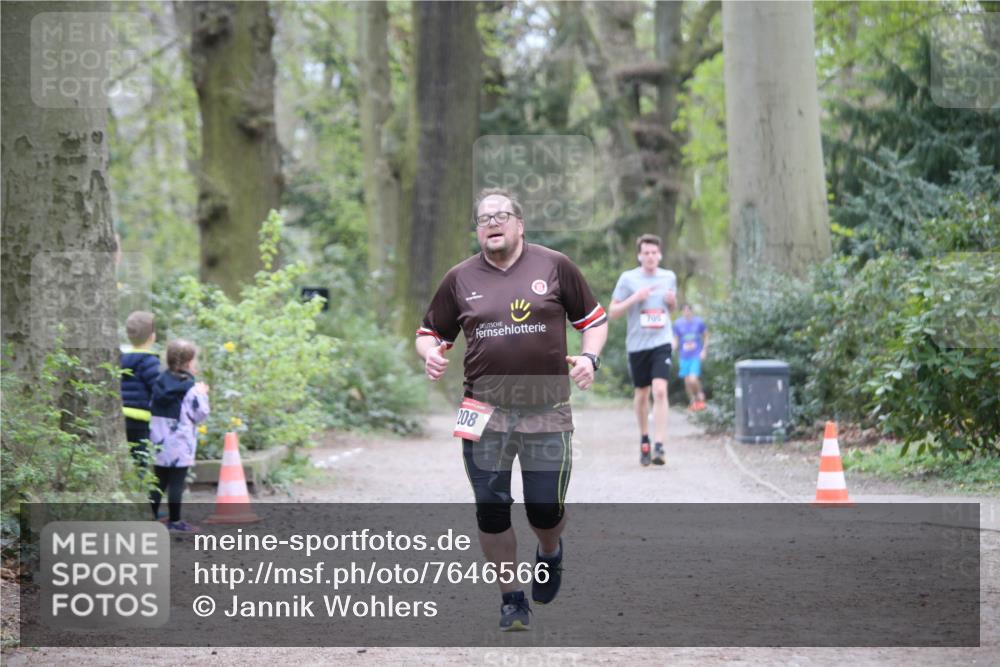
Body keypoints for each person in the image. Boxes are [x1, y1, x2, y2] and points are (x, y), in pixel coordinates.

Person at [415, 188, 608, 631]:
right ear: (477, 230)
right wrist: (429, 352)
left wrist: (589, 357)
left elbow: (593, 320)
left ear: (520, 224)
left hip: (546, 408)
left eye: (501, 215)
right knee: (491, 507)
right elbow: (429, 332)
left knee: (545, 509)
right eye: (484, 218)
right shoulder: (459, 279)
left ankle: (549, 551)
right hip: (482, 409)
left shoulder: (554, 266)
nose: (492, 223)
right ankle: (511, 600)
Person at [609, 234, 677, 466]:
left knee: (659, 390)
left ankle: (659, 445)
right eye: (645, 253)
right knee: (642, 393)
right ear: (639, 255)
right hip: (638, 344)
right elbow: (613, 312)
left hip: (662, 340)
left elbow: (671, 309)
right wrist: (635, 298)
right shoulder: (628, 279)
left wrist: (672, 303)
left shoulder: (669, 277)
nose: (650, 257)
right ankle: (644, 439)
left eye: (653, 253)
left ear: (659, 255)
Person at [150, 339, 210, 533]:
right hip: (180, 442)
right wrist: (203, 393)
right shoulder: (191, 387)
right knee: (176, 482)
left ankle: (150, 517)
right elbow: (200, 414)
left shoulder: (159, 381)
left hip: (158, 439)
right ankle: (175, 521)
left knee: (158, 480)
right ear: (189, 362)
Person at [120, 311, 161, 468]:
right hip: (140, 419)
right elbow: (157, 389)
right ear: (152, 336)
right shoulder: (149, 361)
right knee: (140, 460)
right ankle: (140, 488)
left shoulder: (121, 359)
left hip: (122, 416)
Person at [673, 303, 709, 411]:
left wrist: (704, 350)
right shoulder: (677, 324)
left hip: (696, 354)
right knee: (687, 380)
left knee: (693, 379)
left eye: (688, 310)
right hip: (683, 356)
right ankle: (693, 401)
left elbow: (706, 335)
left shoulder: (699, 322)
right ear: (681, 312)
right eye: (684, 310)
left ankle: (700, 395)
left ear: (691, 311)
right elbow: (676, 339)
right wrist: (672, 347)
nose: (686, 312)